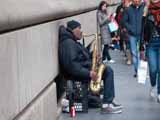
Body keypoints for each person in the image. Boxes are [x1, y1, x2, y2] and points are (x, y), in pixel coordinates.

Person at [59, 20, 123, 114]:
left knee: (106, 70)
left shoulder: (73, 42)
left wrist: (94, 56)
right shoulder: (68, 44)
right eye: (79, 28)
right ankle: (106, 104)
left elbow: (81, 58)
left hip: (83, 70)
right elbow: (72, 66)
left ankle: (108, 101)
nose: (81, 31)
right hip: (77, 75)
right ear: (73, 30)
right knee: (107, 71)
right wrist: (88, 73)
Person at [140, 0, 160, 102]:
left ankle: (159, 93)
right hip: (151, 44)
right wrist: (141, 47)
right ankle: (153, 85)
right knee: (153, 69)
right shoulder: (147, 10)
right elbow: (142, 29)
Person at [123, 0, 145, 77]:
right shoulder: (128, 9)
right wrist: (130, 28)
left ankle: (142, 71)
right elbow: (124, 21)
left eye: (138, 0)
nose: (136, 1)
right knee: (134, 53)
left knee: (141, 53)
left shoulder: (143, 8)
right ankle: (137, 71)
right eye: (135, 0)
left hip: (141, 34)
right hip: (132, 35)